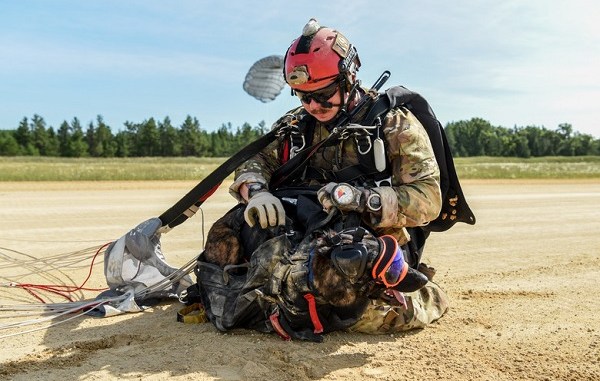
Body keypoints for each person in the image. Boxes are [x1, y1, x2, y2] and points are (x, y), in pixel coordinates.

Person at [196, 19, 471, 339]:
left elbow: (428, 199)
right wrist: (255, 191)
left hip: (363, 238)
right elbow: (255, 161)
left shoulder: (392, 123)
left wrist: (363, 199)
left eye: (323, 94)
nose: (313, 105)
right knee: (225, 235)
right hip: (302, 227)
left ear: (349, 77)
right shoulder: (294, 125)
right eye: (302, 96)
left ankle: (407, 289)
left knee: (337, 279)